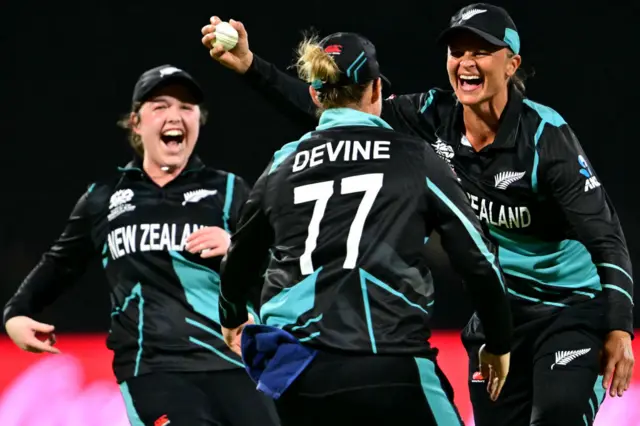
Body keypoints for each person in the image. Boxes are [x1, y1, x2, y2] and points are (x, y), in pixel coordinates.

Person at [200, 4, 635, 426]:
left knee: (556, 415)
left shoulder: (545, 136)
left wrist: (618, 326)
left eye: (480, 51)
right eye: (456, 51)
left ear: (511, 63)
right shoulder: (429, 117)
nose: (465, 62)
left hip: (568, 310)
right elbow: (341, 110)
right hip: (498, 313)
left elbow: (605, 235)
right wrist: (252, 66)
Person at [214, 31, 513, 426]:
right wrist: (498, 340)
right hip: (390, 362)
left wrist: (232, 315)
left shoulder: (283, 163)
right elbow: (478, 261)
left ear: (317, 95)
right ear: (375, 89)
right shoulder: (414, 157)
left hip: (299, 372)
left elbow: (241, 256)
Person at [3, 65, 280, 426]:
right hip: (152, 369)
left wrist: (235, 247)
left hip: (235, 363)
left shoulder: (230, 191)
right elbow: (60, 264)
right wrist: (16, 312)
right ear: (136, 123)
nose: (175, 116)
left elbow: (280, 268)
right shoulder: (103, 198)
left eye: (186, 107)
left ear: (199, 120)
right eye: (160, 106)